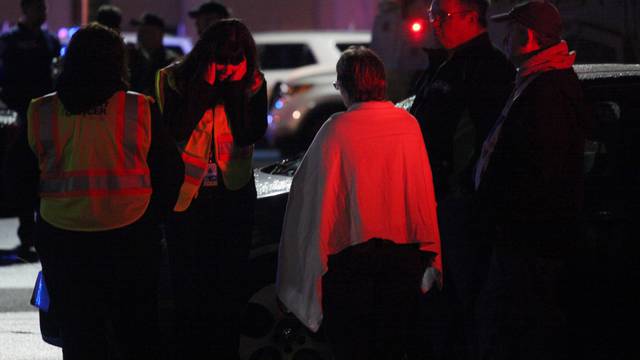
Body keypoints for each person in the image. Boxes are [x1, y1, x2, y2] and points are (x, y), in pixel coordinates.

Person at [3, 23, 181, 359]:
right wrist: (151, 219)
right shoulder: (139, 108)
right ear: (119, 62)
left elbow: (17, 178)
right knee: (135, 330)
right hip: (130, 235)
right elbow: (170, 172)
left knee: (79, 331)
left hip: (64, 238)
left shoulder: (41, 110)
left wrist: (39, 217)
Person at [276, 46, 442, 360]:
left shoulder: (337, 130)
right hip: (403, 262)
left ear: (346, 85)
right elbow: (420, 193)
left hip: (352, 267)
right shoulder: (407, 125)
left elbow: (310, 198)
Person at [474, 2, 589, 359]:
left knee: (515, 331)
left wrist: (506, 219)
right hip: (523, 240)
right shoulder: (536, 80)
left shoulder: (548, 90)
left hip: (528, 244)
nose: (504, 38)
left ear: (527, 36)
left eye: (510, 31)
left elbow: (540, 174)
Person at [407, 0, 515, 358]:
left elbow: (488, 142)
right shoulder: (445, 65)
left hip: (461, 210)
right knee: (439, 304)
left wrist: (460, 189)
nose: (435, 23)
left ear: (473, 18)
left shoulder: (488, 69)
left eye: (443, 16)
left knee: (462, 300)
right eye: (432, 16)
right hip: (437, 202)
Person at [155, 19, 267, 359]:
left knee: (228, 286)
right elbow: (177, 128)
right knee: (188, 286)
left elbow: (250, 132)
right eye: (221, 59)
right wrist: (203, 87)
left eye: (237, 59)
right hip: (187, 197)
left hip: (233, 195)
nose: (228, 67)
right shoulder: (171, 78)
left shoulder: (254, 82)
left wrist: (233, 91)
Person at [0, 0, 60, 262]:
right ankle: (27, 236)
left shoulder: (49, 41)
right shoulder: (10, 41)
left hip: (46, 119)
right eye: (39, 8)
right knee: (23, 177)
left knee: (44, 177)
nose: (43, 13)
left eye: (45, 8)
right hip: (20, 119)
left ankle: (39, 234)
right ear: (25, 9)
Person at [129, 13, 179, 96]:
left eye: (147, 32)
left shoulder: (170, 61)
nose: (140, 36)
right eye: (140, 31)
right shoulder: (133, 57)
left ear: (160, 34)